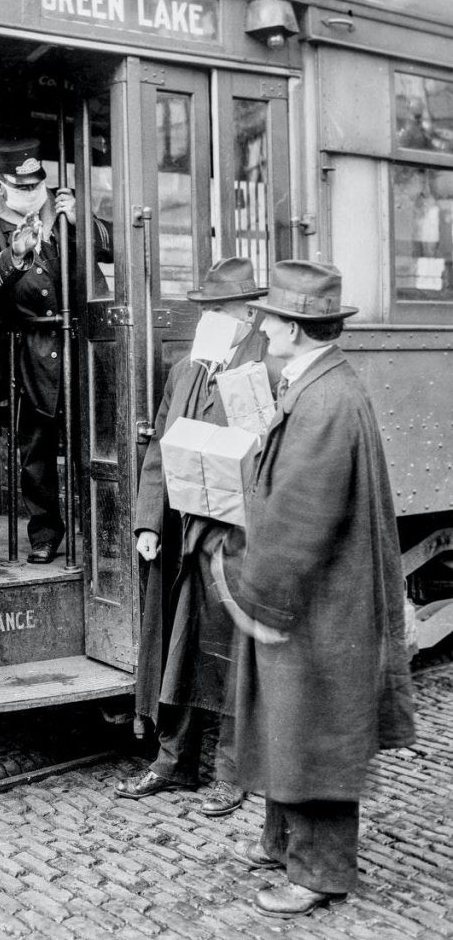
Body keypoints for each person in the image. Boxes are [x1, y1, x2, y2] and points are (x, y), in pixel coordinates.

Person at [221, 261, 415, 918]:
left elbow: (302, 514)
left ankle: (316, 872)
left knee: (317, 730)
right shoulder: (318, 384)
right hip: (318, 596)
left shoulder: (323, 399)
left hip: (316, 603)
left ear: (298, 328)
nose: (261, 324)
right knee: (295, 724)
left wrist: (261, 598)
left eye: (270, 316)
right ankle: (283, 843)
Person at [115, 258, 277, 816]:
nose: (207, 316)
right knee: (178, 649)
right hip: (183, 535)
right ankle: (172, 761)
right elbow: (160, 449)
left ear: (250, 313)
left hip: (238, 538)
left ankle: (234, 770)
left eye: (219, 309)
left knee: (235, 651)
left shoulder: (267, 369)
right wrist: (146, 522)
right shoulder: (187, 369)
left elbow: (275, 458)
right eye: (204, 308)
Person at [0, 138, 112, 564]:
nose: (34, 193)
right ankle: (46, 533)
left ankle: (102, 528)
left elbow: (112, 248)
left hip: (84, 346)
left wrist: (82, 222)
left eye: (38, 185)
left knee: (94, 443)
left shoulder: (63, 207)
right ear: (0, 185)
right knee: (37, 451)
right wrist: (14, 254)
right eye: (22, 187)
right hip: (34, 351)